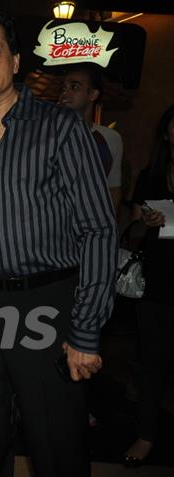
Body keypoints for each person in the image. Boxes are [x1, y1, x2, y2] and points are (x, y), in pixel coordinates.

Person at [0, 5, 117, 476]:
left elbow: (99, 228)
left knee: (57, 443)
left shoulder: (61, 129)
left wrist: (85, 331)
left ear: (14, 61)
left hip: (46, 301)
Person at [125, 104, 174, 466]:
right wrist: (148, 221)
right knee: (152, 362)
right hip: (156, 281)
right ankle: (145, 436)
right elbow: (136, 228)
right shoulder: (152, 175)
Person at [58, 64, 123, 213]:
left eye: (74, 87)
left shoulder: (110, 138)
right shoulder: (46, 134)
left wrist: (106, 230)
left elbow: (113, 190)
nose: (65, 93)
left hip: (90, 227)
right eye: (63, 88)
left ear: (92, 95)